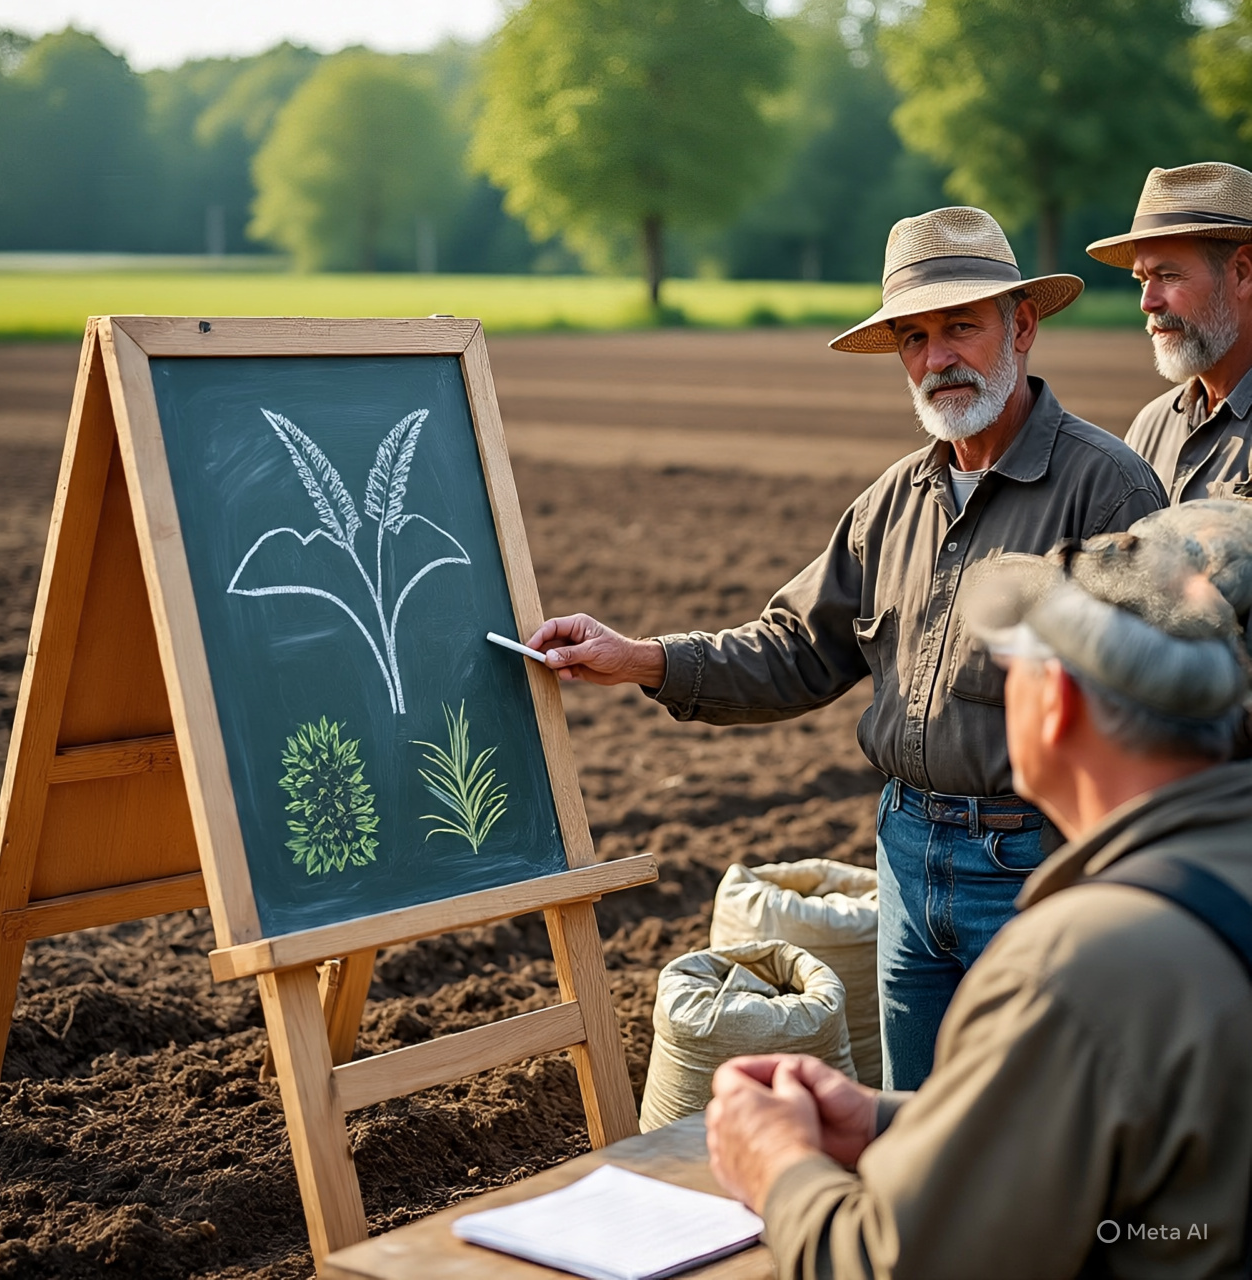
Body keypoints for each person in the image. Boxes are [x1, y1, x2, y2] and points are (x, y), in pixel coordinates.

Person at [530, 206, 1167, 1089]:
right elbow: (796, 647)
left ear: (1021, 326)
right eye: (914, 336)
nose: (937, 357)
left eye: (960, 327)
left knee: (1035, 1136)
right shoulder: (891, 504)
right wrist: (640, 656)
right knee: (916, 1125)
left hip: (1035, 867)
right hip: (906, 858)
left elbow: (1159, 715)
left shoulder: (1109, 493)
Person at [705, 499, 1252, 1279]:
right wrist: (899, 1123)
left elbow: (894, 1266)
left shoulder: (1079, 964)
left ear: (1054, 703)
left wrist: (779, 1166)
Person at [1087, 161, 1252, 503]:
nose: (1147, 303)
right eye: (1143, 280)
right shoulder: (1151, 426)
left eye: (1169, 276)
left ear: (1242, 272)